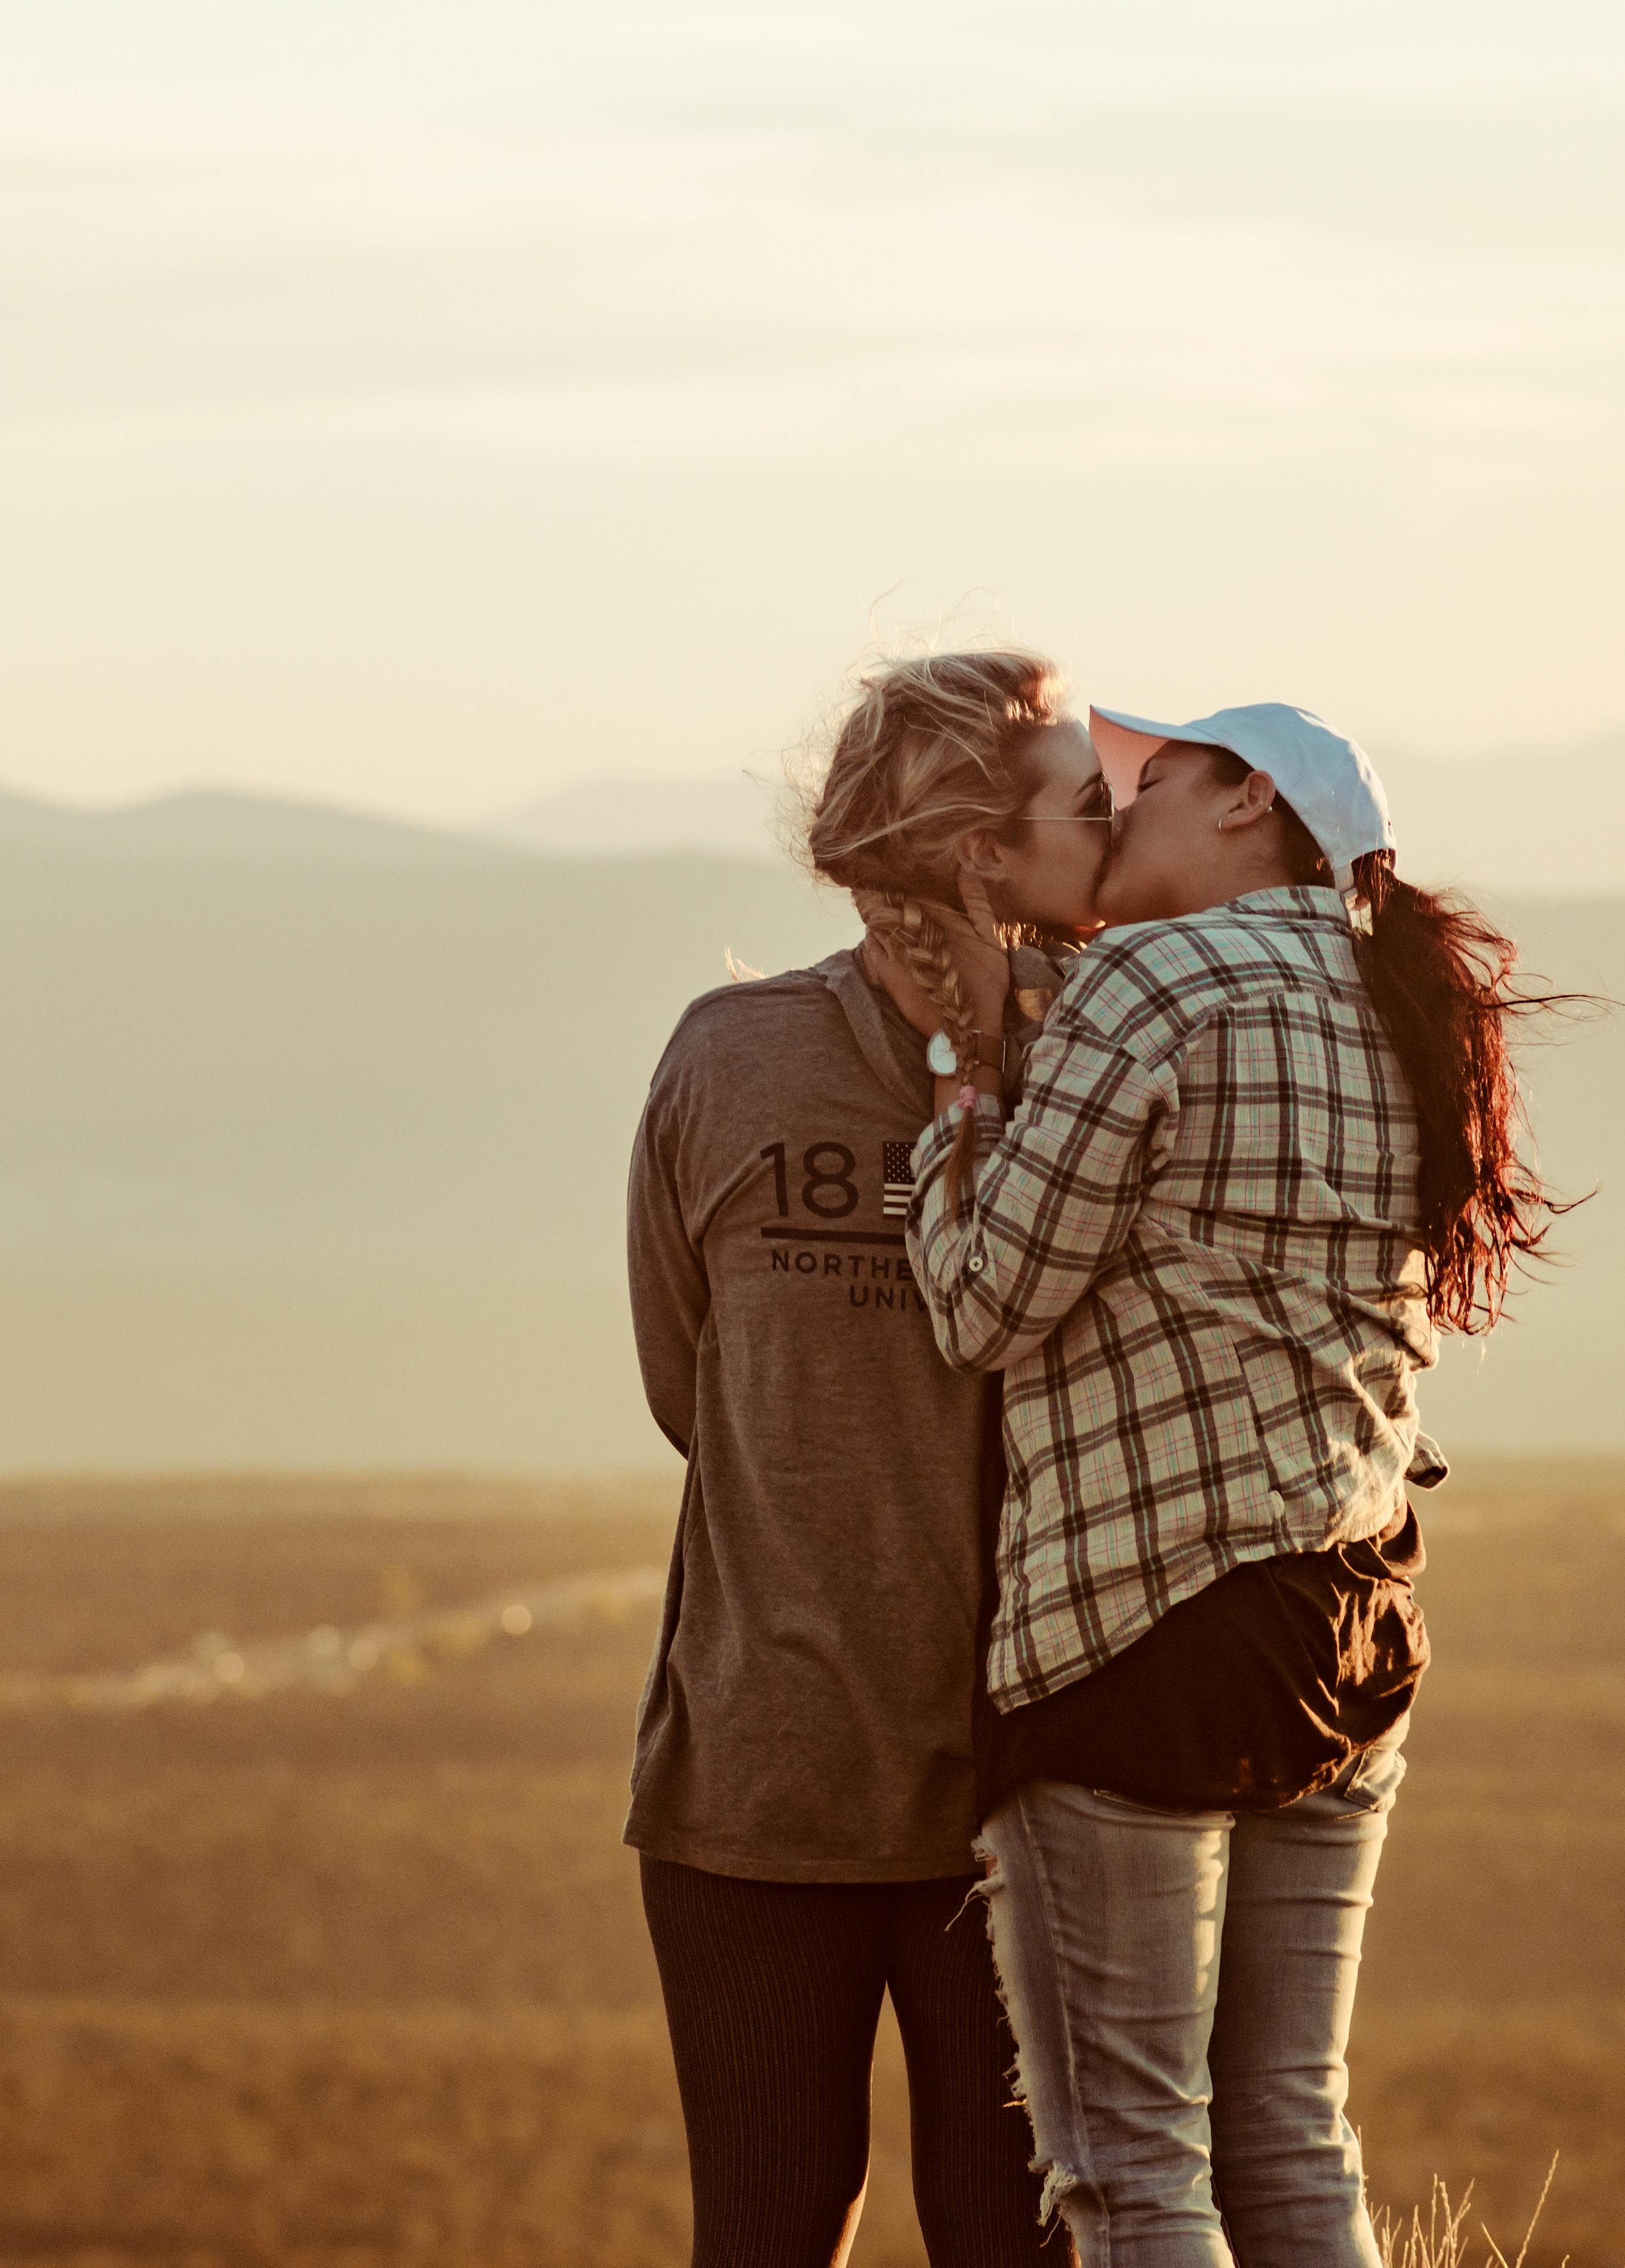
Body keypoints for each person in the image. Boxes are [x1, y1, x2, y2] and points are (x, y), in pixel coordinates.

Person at [879, 701, 1571, 2267]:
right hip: (1354, 1615)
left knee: (1131, 2167)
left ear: (1253, 799)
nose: (1117, 812)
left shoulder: (1153, 978)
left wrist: (953, 1116)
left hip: (1144, 1622)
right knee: (1288, 2133)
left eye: (1153, 780)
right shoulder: (1402, 1003)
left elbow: (987, 1302)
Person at [622, 648, 1119, 2267]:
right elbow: (690, 1394)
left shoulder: (1109, 1070)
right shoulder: (732, 1057)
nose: (1112, 834)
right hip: (757, 1795)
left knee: (1019, 2246)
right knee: (763, 2235)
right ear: (980, 847)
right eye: (1083, 804)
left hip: (1030, 1806)